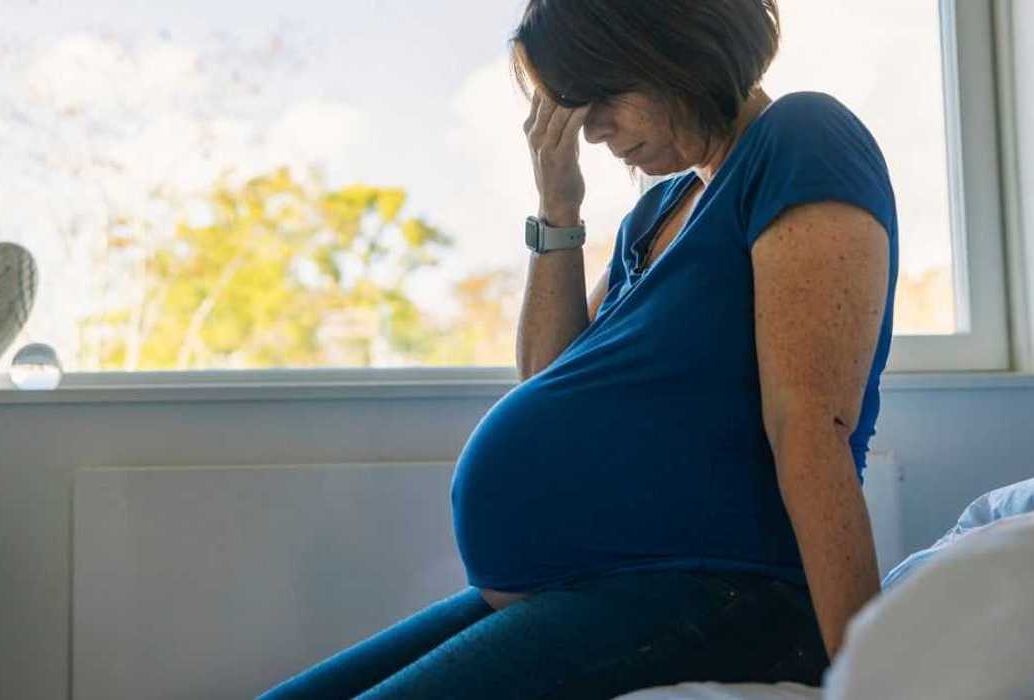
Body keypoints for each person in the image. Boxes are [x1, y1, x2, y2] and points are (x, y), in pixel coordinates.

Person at [258, 0, 897, 696]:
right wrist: (558, 207)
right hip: (602, 585)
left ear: (680, 50)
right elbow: (546, 379)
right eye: (576, 107)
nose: (592, 132)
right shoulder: (659, 211)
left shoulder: (801, 138)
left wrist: (861, 674)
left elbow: (808, 423)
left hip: (722, 591)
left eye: (604, 97)